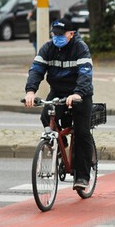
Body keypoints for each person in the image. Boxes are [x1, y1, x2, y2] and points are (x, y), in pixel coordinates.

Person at [24, 18, 94, 190]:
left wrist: (77, 93)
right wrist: (30, 91)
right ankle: (61, 144)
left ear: (71, 34)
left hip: (80, 94)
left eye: (61, 35)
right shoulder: (48, 48)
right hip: (58, 93)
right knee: (45, 117)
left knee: (82, 133)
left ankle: (82, 176)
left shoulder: (80, 48)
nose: (57, 38)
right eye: (54, 34)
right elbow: (37, 69)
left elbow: (85, 73)